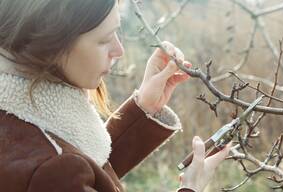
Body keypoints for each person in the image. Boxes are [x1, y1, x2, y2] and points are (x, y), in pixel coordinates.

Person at [0, 0, 231, 191]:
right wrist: (191, 187)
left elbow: (89, 174)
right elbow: (65, 171)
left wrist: (144, 107)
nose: (119, 50)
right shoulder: (51, 169)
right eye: (104, 39)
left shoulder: (21, 123)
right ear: (52, 43)